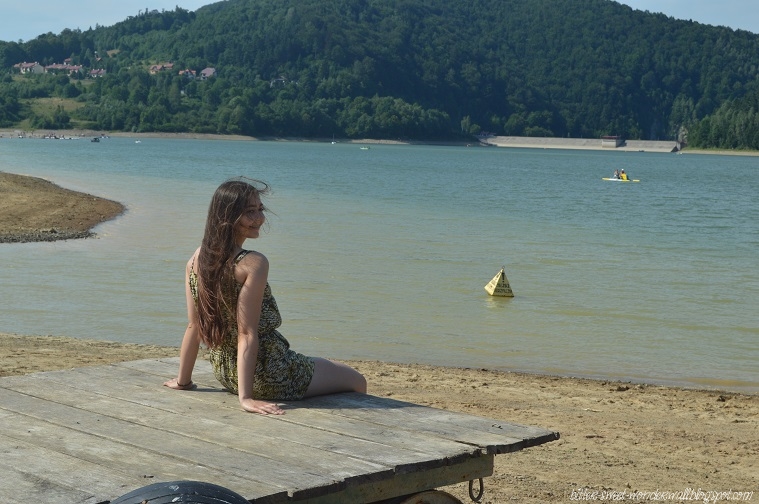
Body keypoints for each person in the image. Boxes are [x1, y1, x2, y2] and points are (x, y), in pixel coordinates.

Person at [164, 177, 366, 415]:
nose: (259, 218)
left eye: (260, 209)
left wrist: (183, 381)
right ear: (228, 217)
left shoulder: (197, 259)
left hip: (226, 373)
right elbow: (246, 333)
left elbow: (194, 325)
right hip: (271, 372)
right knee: (357, 381)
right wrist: (246, 399)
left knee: (323, 366)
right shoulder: (253, 263)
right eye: (250, 211)